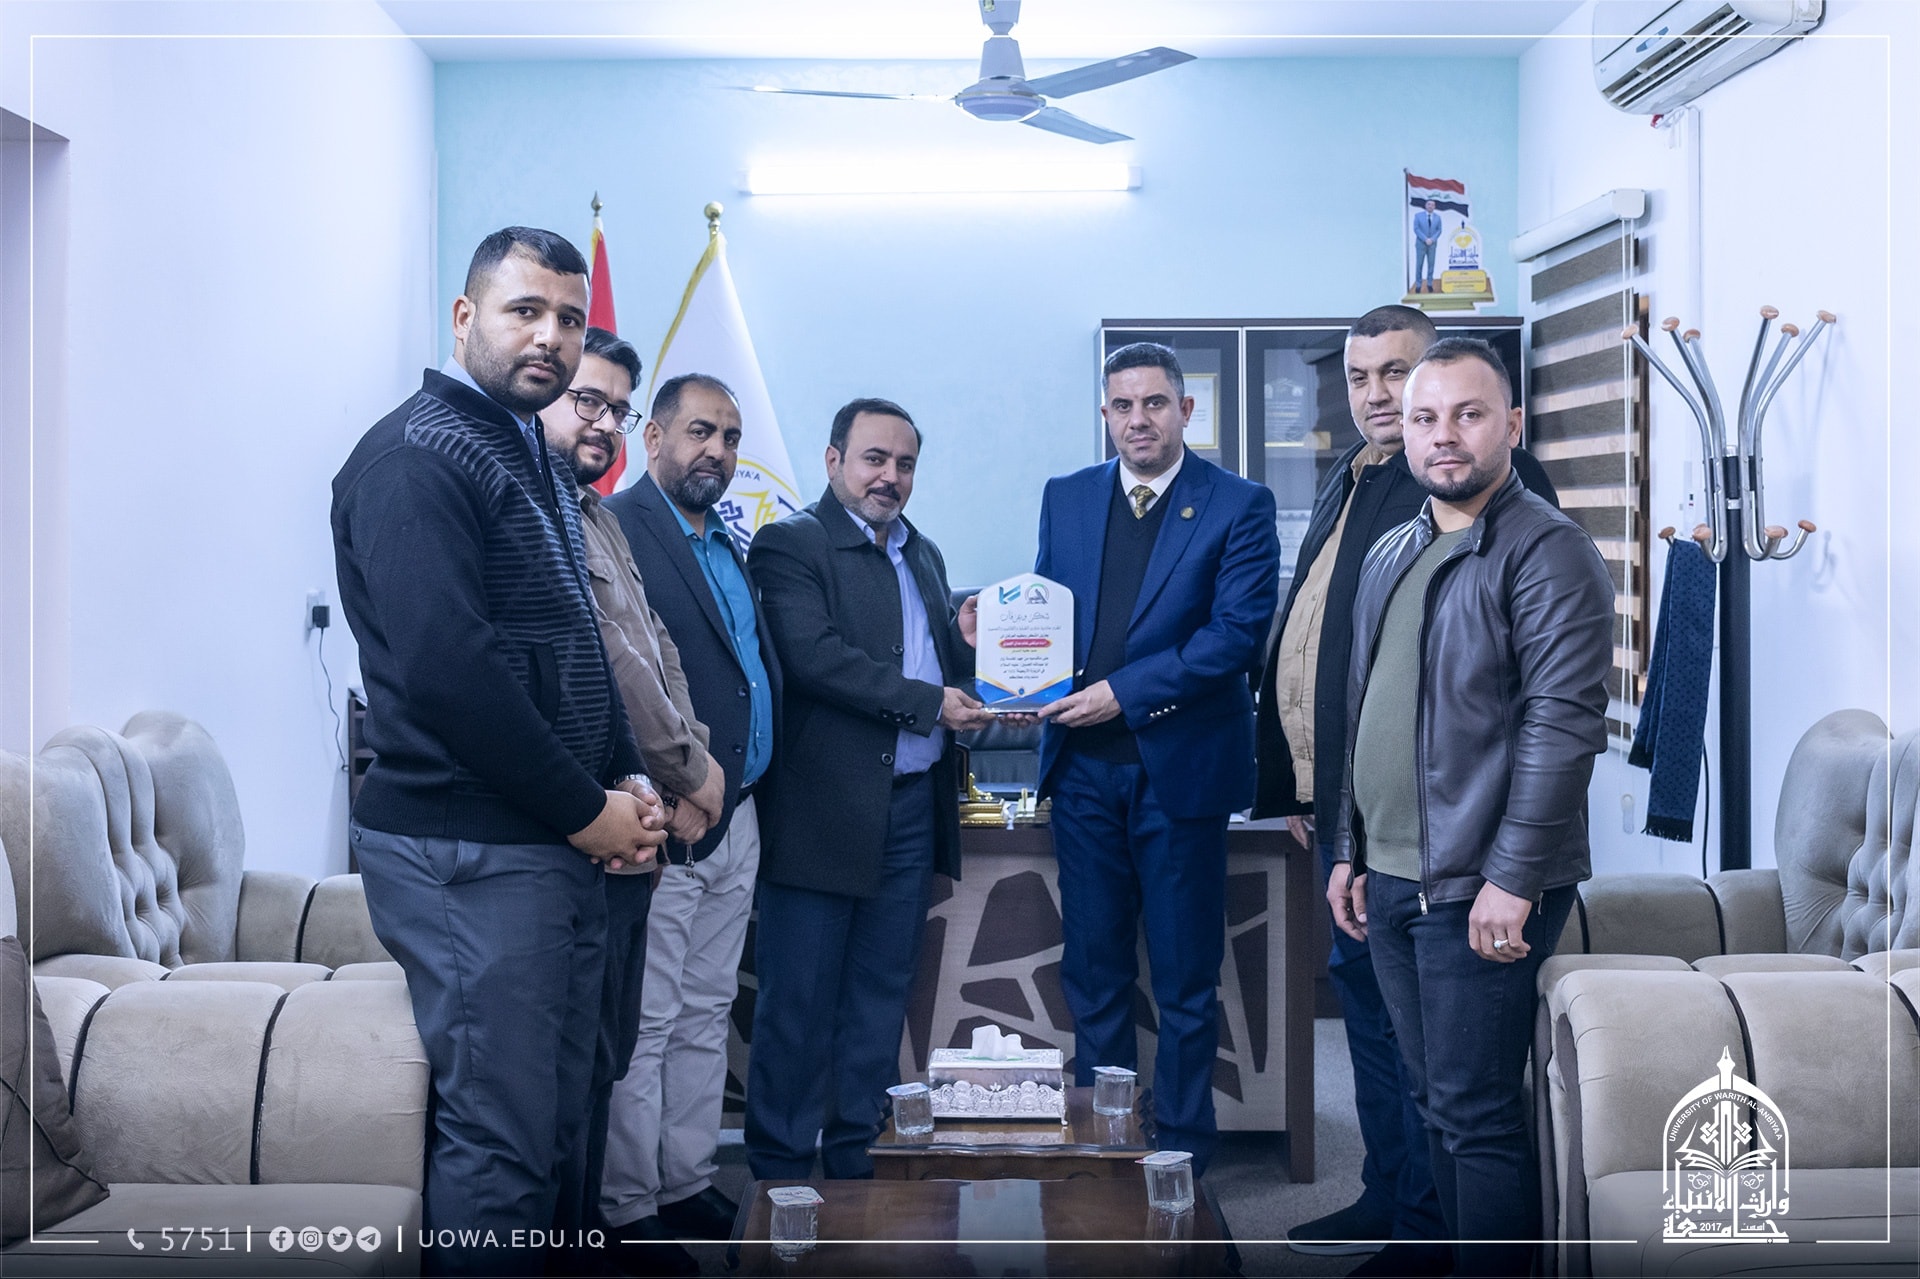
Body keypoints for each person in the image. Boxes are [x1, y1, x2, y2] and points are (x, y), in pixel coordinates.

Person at [330, 228, 666, 1277]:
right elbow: (451, 673)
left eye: (568, 317)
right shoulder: (415, 457)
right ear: (466, 317)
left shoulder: (526, 448)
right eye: (525, 310)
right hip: (471, 849)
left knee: (563, 1124)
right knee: (503, 1144)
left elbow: (574, 642)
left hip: (548, 840)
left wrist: (629, 773)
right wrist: (588, 810)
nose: (551, 336)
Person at [1253, 304, 1557, 1269]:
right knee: (1391, 1047)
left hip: (1459, 855)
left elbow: (1548, 720)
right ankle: (1396, 1198)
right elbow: (1344, 660)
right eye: (1364, 378)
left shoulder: (1509, 517)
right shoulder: (1362, 483)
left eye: (1401, 376)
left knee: (1463, 1098)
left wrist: (1512, 872)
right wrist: (1320, 805)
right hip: (1362, 830)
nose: (1383, 398)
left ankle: (1425, 1227)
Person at [1329, 337, 1613, 1278]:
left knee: (1476, 1113)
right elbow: (1365, 708)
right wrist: (1350, 847)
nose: (1443, 435)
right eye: (1425, 418)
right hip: (1394, 873)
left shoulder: (1549, 550)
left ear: (1512, 425)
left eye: (1468, 414)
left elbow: (1563, 728)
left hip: (1480, 882)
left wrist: (1514, 878)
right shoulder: (1395, 547)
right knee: (1433, 1102)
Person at [1027, 343, 1279, 1173]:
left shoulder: (1239, 504)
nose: (1139, 419)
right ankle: (1107, 1150)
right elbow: (1049, 611)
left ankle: (1182, 1156)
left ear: (1185, 410)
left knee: (1183, 980)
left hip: (1180, 773)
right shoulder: (1067, 496)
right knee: (1093, 972)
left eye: (1155, 403)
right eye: (1123, 405)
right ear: (1105, 414)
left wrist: (1124, 693)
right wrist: (998, 642)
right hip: (1082, 772)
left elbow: (1235, 636)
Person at [743, 397, 992, 1180]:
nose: (890, 476)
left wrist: (967, 659)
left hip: (912, 807)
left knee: (880, 996)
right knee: (798, 1001)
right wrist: (931, 702)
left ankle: (856, 1157)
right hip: (822, 811)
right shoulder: (790, 544)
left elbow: (930, 662)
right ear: (833, 461)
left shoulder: (925, 552)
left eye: (904, 463)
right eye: (874, 459)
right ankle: (781, 1171)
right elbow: (814, 657)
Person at [542, 328, 723, 1275]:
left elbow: (657, 645)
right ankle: (604, 1230)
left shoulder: (595, 512)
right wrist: (688, 774)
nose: (604, 423)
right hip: (583, 825)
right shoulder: (537, 509)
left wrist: (693, 762)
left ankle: (606, 1231)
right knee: (587, 1062)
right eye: (589, 400)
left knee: (610, 1050)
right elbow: (611, 664)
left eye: (616, 407)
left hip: (646, 807)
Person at [598, 373, 782, 1272]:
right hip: (667, 811)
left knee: (708, 1008)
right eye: (701, 431)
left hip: (737, 809)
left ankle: (684, 1179)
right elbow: (616, 674)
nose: (718, 450)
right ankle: (630, 1204)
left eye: (731, 437)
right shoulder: (621, 526)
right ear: (654, 437)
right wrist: (656, 782)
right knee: (651, 1014)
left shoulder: (724, 539)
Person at [1413, 199, 1443, 294]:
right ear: (1426, 205)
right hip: (1421, 244)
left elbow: (1439, 230)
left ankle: (1429, 284)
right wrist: (1425, 239)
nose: (1430, 206)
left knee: (1431, 265)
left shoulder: (1437, 218)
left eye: (1432, 205)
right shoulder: (1418, 216)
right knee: (1419, 265)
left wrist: (1432, 239)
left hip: (1432, 245)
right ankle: (1418, 285)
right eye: (1429, 204)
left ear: (1434, 207)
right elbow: (1416, 229)